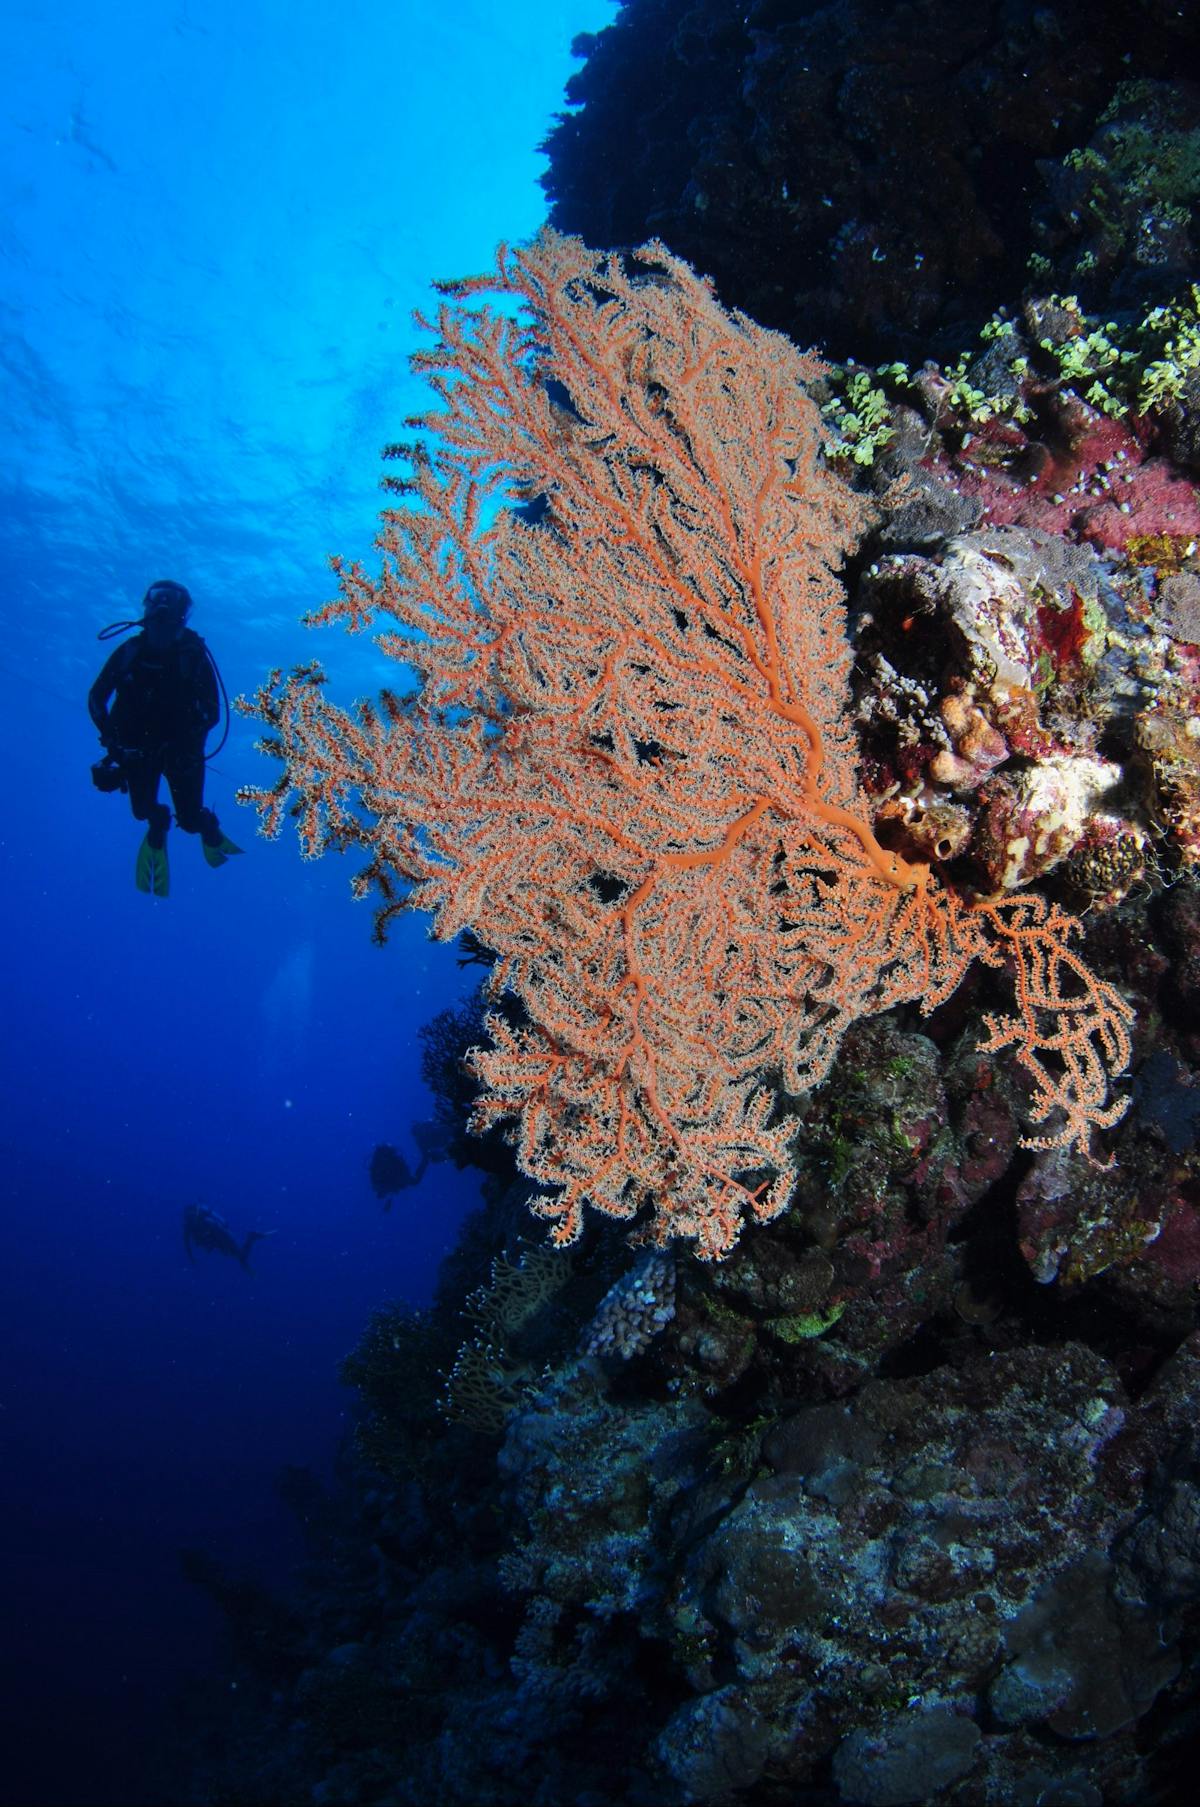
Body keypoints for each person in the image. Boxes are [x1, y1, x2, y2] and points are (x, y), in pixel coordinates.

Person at [88, 580, 241, 896]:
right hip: (136, 750)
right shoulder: (130, 651)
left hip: (181, 753)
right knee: (142, 810)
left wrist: (184, 744)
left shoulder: (192, 655)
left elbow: (213, 712)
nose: (161, 609)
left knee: (189, 820)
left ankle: (206, 827)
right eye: (157, 601)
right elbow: (96, 698)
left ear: (182, 615)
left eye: (171, 603)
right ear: (147, 607)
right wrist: (113, 744)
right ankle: (158, 823)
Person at [183, 1203, 274, 1272]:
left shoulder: (197, 1224)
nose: (191, 1219)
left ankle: (251, 1238)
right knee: (238, 1255)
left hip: (220, 1236)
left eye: (191, 1217)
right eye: (189, 1217)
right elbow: (187, 1244)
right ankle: (250, 1241)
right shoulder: (190, 1226)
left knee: (239, 1255)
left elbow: (187, 1244)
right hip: (218, 1238)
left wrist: (191, 1258)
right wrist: (191, 1258)